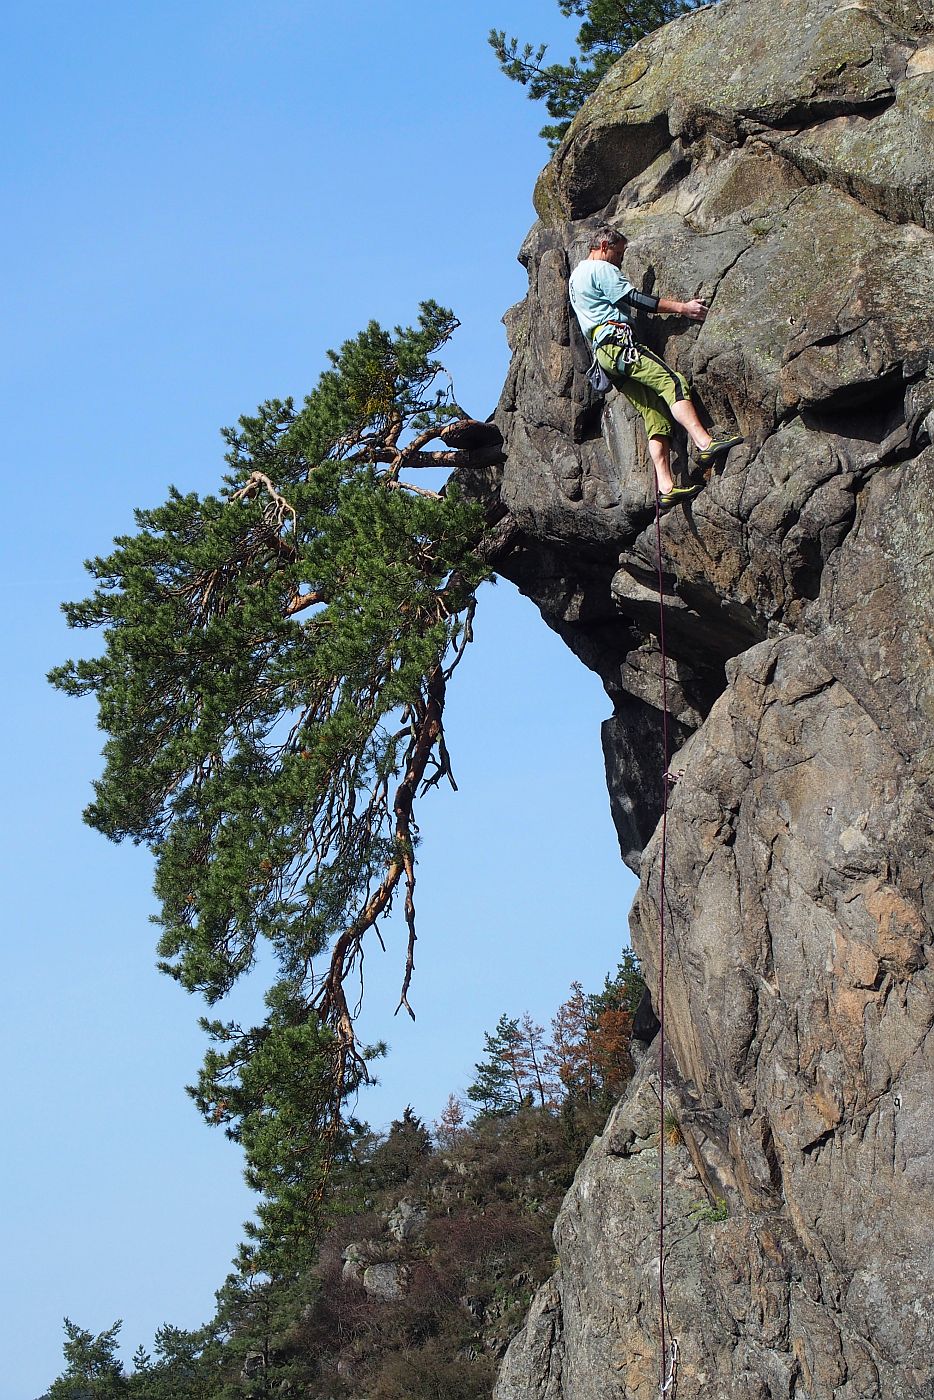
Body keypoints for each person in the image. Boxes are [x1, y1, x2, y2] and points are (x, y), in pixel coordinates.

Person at [569, 226, 742, 508]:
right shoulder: (601, 268)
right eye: (618, 252)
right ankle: (704, 442)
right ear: (603, 245)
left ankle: (666, 487)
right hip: (619, 343)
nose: (620, 260)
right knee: (671, 383)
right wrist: (683, 308)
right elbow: (634, 299)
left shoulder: (576, 278)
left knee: (654, 412)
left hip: (605, 355)